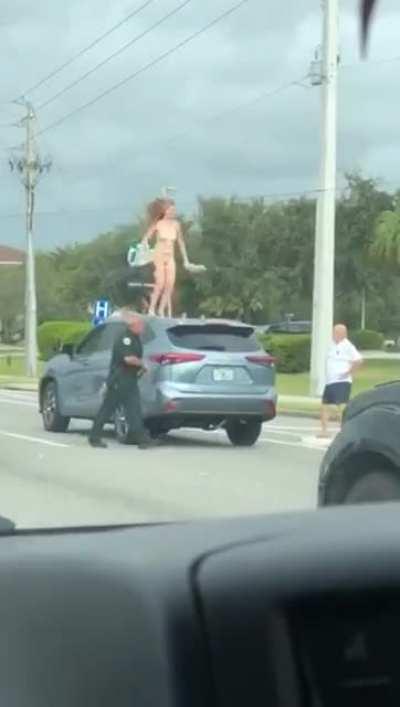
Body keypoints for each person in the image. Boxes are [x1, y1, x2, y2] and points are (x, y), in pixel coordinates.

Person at [88, 310, 156, 449]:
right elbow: (128, 358)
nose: (143, 327)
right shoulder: (125, 339)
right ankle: (94, 437)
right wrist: (143, 364)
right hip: (119, 380)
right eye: (140, 324)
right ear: (133, 325)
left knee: (134, 410)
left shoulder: (135, 338)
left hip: (130, 380)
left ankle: (142, 439)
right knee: (108, 409)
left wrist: (140, 368)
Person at [142, 198, 189, 317]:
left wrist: (186, 260)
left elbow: (181, 243)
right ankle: (152, 309)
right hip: (159, 255)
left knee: (170, 284)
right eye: (170, 210)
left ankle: (161, 309)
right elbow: (146, 238)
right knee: (160, 283)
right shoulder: (158, 223)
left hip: (170, 255)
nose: (172, 212)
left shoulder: (176, 225)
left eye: (174, 210)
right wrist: (146, 248)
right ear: (165, 211)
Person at [319, 323, 363, 438]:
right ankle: (324, 431)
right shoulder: (331, 345)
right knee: (325, 406)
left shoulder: (348, 346)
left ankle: (344, 431)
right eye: (334, 332)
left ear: (343, 334)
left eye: (336, 332)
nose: (334, 334)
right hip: (330, 382)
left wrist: (348, 373)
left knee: (341, 407)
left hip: (341, 382)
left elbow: (358, 360)